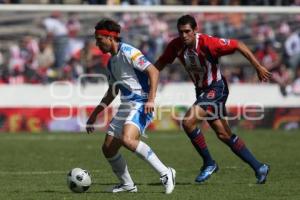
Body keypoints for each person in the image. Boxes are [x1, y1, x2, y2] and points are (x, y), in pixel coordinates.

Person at [154, 15, 271, 184]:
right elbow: (159, 64)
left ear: (195, 30)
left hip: (216, 88)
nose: (184, 35)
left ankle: (209, 163)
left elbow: (239, 44)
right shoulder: (175, 46)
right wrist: (146, 79)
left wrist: (258, 67)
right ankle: (259, 167)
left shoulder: (209, 43)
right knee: (223, 134)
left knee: (188, 122)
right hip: (202, 91)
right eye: (181, 32)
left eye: (187, 31)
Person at [86, 18, 175, 194]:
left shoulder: (129, 52)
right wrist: (95, 113)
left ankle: (166, 173)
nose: (97, 44)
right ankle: (127, 184)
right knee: (108, 148)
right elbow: (113, 91)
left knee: (127, 139)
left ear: (110, 38)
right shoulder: (111, 62)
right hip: (126, 105)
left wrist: (151, 99)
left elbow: (153, 71)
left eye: (99, 39)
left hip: (142, 102)